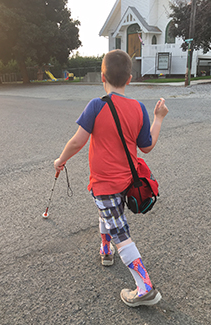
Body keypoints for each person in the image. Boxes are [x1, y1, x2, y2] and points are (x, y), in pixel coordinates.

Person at [54, 49, 168, 307]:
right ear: (129, 79)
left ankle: (145, 288)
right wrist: (159, 118)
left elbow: (77, 142)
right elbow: (147, 146)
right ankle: (105, 250)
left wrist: (60, 160)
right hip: (127, 182)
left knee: (120, 231)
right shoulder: (139, 108)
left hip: (104, 183)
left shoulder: (96, 105)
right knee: (108, 215)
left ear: (102, 76)